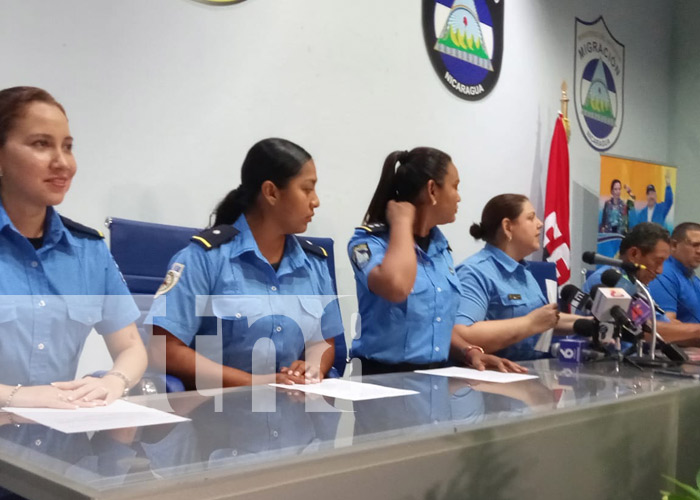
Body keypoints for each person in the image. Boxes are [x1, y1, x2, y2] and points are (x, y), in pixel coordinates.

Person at [148, 138, 343, 389]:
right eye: (307, 189)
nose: (315, 200)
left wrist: (312, 367)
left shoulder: (314, 264)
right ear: (271, 192)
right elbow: (163, 350)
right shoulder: (204, 258)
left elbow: (324, 341)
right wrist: (254, 383)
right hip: (221, 416)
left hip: (295, 417)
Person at [0, 86, 147, 409]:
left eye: (67, 147)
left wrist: (113, 381)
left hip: (57, 450)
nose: (62, 162)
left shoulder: (88, 250)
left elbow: (131, 347)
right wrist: (16, 395)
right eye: (41, 144)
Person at [348, 147, 525, 375]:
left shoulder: (440, 247)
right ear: (432, 190)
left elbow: (436, 322)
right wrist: (402, 222)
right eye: (455, 186)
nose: (459, 196)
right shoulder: (368, 242)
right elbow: (396, 287)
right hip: (383, 380)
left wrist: (469, 351)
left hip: (435, 378)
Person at [454, 194, 579, 361]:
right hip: (490, 379)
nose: (540, 224)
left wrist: (588, 324)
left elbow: (545, 320)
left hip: (530, 374)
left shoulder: (524, 271)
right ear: (507, 227)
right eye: (531, 218)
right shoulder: (474, 272)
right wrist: (529, 324)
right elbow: (463, 335)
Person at [583, 222, 700, 344]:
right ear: (634, 254)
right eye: (657, 261)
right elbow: (643, 330)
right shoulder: (607, 280)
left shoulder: (636, 284)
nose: (660, 271)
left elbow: (662, 325)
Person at [649, 222, 700, 325]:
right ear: (674, 245)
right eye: (695, 245)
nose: (699, 251)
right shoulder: (663, 274)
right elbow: (665, 327)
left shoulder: (692, 278)